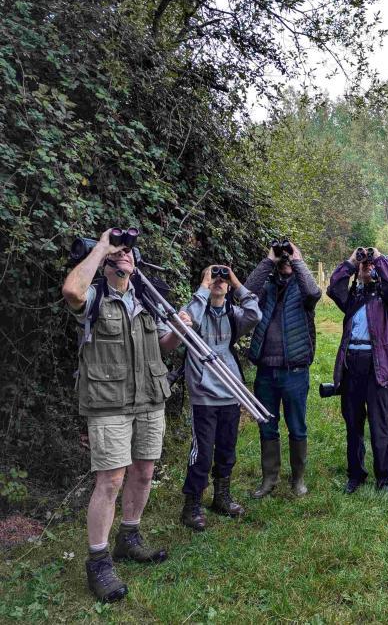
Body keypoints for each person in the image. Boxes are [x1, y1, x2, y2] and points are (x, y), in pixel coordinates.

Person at [62, 229, 185, 603]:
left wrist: (178, 331)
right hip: (108, 401)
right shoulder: (96, 295)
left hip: (149, 397)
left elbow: (163, 346)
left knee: (144, 470)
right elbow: (72, 292)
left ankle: (129, 537)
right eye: (121, 250)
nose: (127, 254)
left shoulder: (146, 297)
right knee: (110, 479)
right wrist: (101, 247)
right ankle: (98, 562)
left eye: (130, 250)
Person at [179, 265, 261, 531]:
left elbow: (255, 313)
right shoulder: (195, 310)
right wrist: (204, 286)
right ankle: (192, 505)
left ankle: (221, 497)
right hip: (204, 395)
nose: (218, 282)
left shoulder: (233, 313)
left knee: (227, 449)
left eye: (222, 280)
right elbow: (185, 323)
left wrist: (236, 282)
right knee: (202, 454)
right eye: (214, 278)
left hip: (230, 391)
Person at [327, 247, 388, 494]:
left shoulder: (386, 298)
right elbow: (333, 286)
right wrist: (353, 261)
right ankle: (355, 475)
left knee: (379, 425)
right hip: (351, 364)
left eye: (369, 265)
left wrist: (379, 257)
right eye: (364, 265)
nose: (367, 266)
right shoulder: (352, 298)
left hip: (378, 366)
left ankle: (384, 479)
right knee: (353, 424)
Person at [244, 240, 321, 498]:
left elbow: (314, 292)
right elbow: (243, 293)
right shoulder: (266, 289)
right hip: (266, 370)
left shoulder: (303, 291)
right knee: (267, 425)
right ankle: (269, 478)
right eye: (283, 259)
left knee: (297, 426)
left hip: (295, 371)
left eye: (289, 258)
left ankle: (297, 479)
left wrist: (297, 259)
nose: (285, 261)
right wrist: (269, 260)